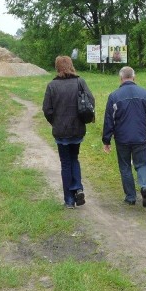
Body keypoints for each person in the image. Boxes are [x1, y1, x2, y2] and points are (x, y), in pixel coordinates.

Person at [43, 55, 95, 209]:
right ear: (71, 65)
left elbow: (47, 109)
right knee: (74, 159)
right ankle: (78, 188)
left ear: (57, 67)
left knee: (65, 163)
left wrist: (55, 122)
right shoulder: (80, 82)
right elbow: (91, 100)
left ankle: (69, 200)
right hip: (77, 129)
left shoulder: (52, 86)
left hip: (60, 131)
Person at [102, 66, 146, 207]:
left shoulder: (114, 96)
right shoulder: (145, 94)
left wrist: (106, 140)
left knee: (125, 166)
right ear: (134, 77)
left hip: (122, 138)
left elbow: (109, 120)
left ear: (121, 79)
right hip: (140, 136)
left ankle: (131, 197)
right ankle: (145, 186)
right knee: (142, 164)